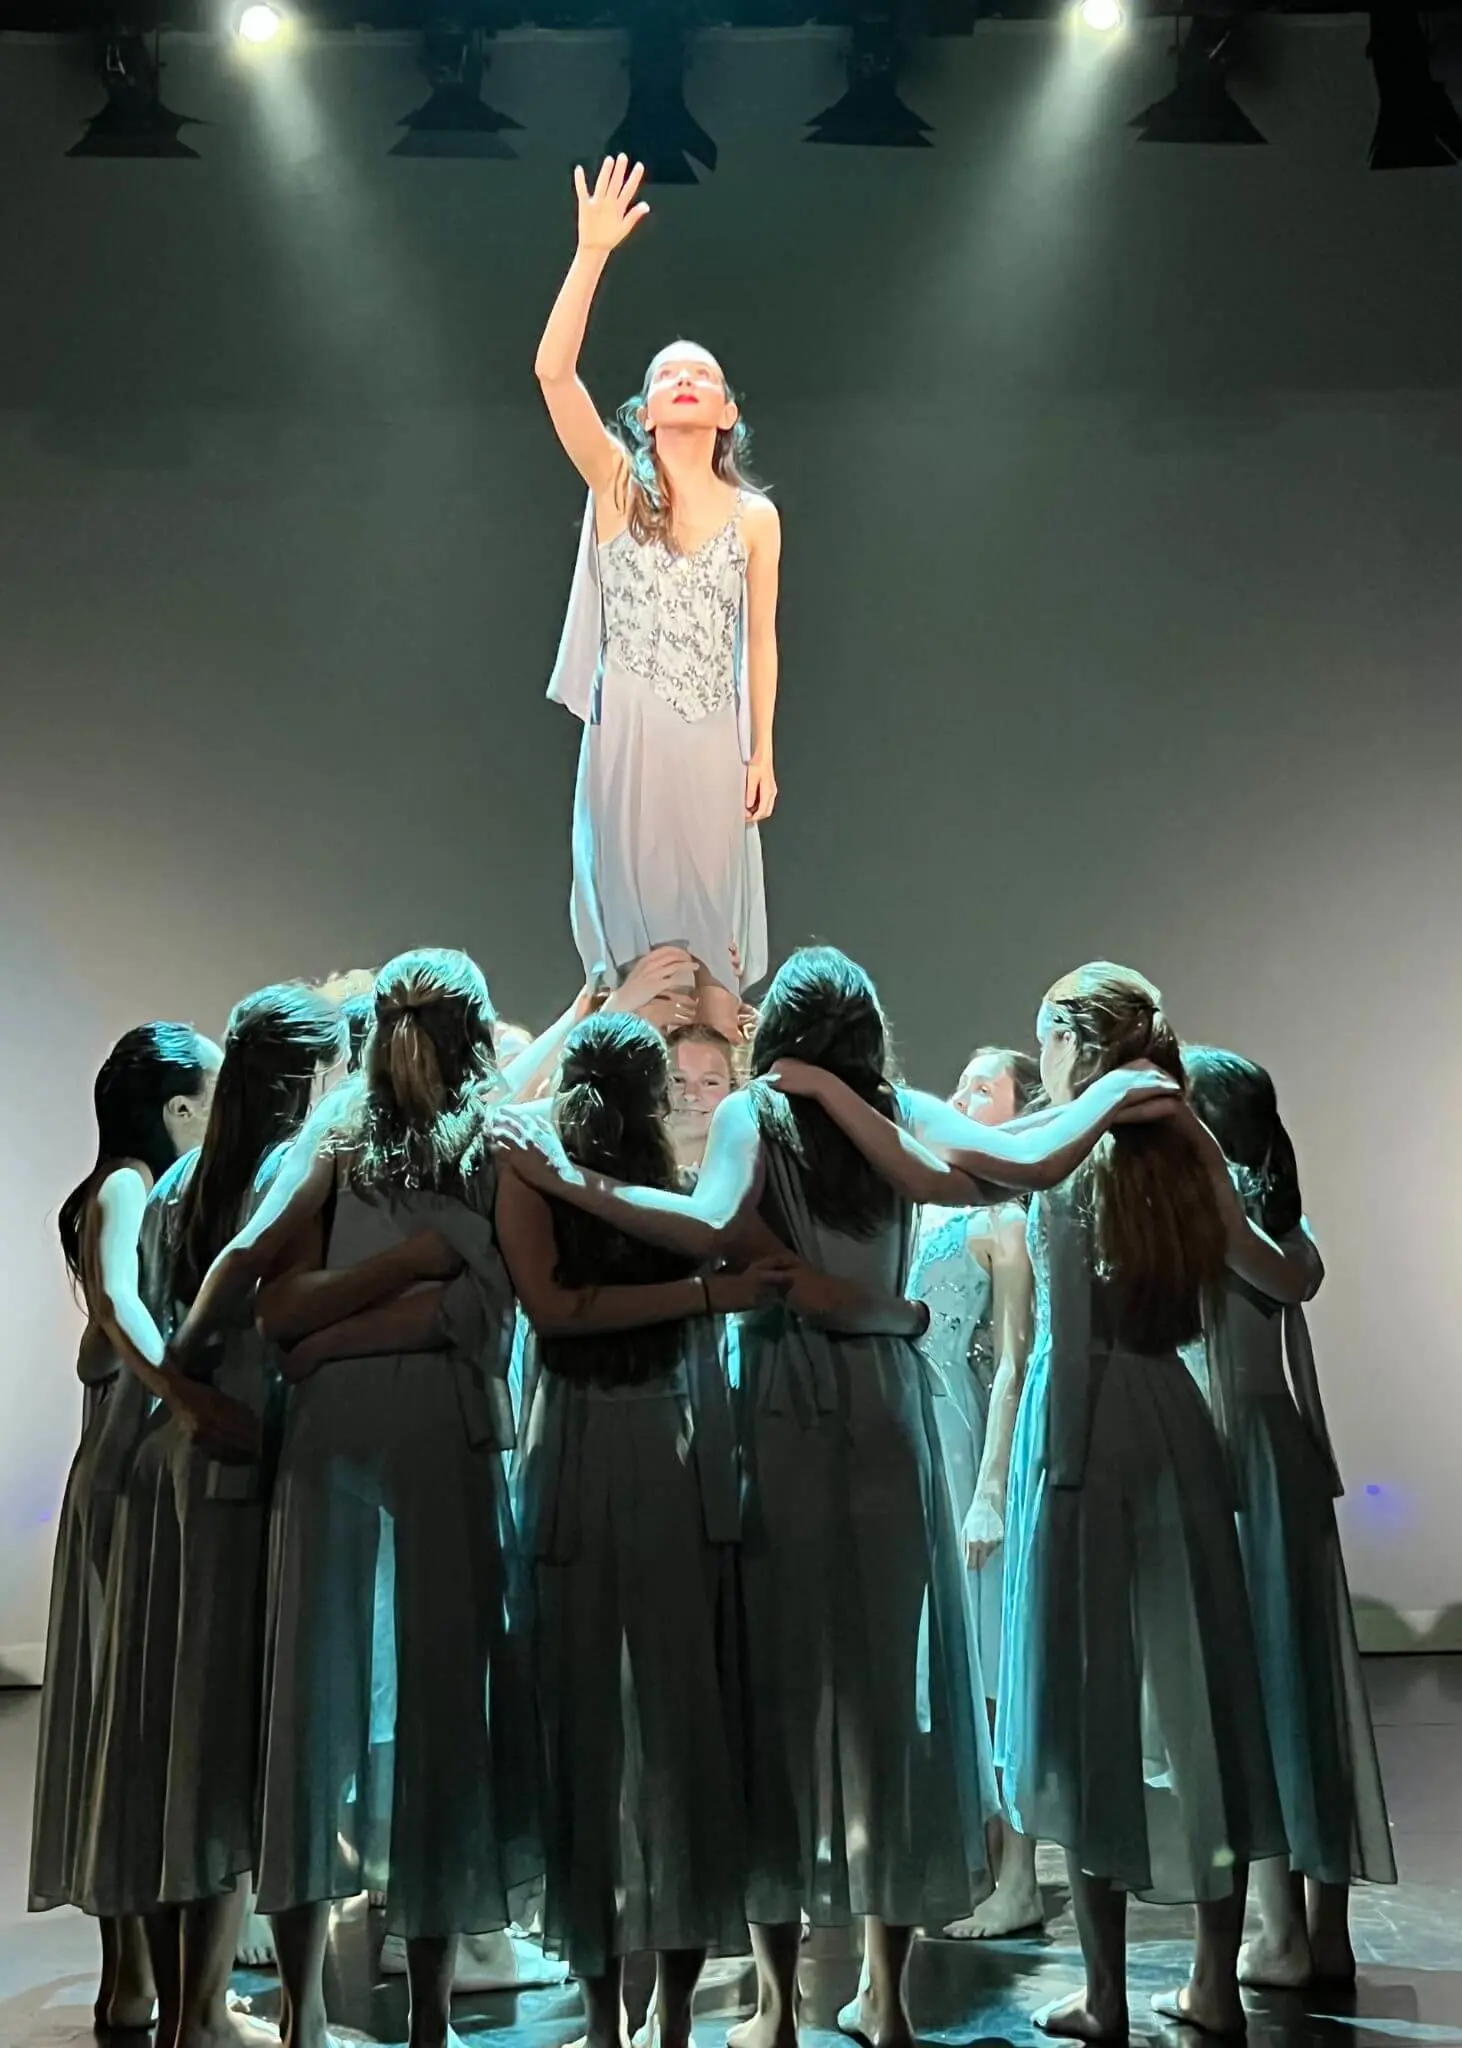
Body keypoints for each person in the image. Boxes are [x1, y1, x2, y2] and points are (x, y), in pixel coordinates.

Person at [492, 947, 1176, 2048]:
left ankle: (774, 2000)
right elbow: (1016, 1160)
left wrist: (569, 1179)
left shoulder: (758, 1111)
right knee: (877, 1702)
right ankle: (883, 1996)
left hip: (782, 1402)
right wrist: (1102, 1091)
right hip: (884, 1410)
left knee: (777, 1697)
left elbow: (707, 1226)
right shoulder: (886, 1109)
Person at [792, 963, 1292, 2040]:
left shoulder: (1066, 1163)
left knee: (1085, 1707)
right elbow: (1279, 1274)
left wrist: (1053, 1482)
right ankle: (1213, 1977)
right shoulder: (1186, 1153)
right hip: (1176, 1420)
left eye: (1044, 1037)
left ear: (1072, 1038)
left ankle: (1107, 1990)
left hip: (1086, 1435)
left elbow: (1049, 1315)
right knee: (1194, 1695)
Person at [166, 950, 540, 2048]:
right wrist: (404, 1280)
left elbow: (258, 1279)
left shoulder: (335, 1141)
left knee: (312, 1710)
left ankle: (305, 2014)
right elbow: (466, 1306)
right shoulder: (489, 1149)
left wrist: (196, 1367)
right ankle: (425, 2016)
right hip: (434, 1437)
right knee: (434, 1717)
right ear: (473, 1039)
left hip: (339, 1435)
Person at [500, 1010, 794, 2048]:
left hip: (590, 1456)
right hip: (649, 1454)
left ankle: (612, 2018)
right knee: (669, 1733)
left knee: (601, 1736)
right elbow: (556, 1308)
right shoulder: (665, 1196)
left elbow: (557, 1307)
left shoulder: (553, 1181)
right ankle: (658, 2016)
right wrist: (703, 1294)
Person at [79, 987, 348, 2048]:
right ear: (303, 1083)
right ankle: (207, 2007)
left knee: (192, 1722)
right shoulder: (270, 1177)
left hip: (192, 1462)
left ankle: (186, 1998)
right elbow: (199, 1312)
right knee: (239, 1728)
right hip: (240, 1457)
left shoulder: (189, 1176)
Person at [536, 155, 780, 1042]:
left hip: (714, 730)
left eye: (704, 376)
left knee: (714, 968)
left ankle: (720, 1098)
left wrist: (762, 751)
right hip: (629, 726)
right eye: (668, 373)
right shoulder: (617, 487)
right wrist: (590, 253)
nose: (686, 378)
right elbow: (555, 375)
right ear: (642, 412)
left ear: (724, 415)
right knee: (636, 951)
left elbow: (761, 642)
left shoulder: (757, 518)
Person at [1183, 1046, 1395, 1988]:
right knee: (1293, 1686)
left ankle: (1283, 1934)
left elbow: (1275, 1276)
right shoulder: (1275, 1222)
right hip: (1279, 1461)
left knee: (1260, 1694)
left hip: (1238, 1465)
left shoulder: (1232, 1225)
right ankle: (1318, 1931)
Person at [29, 1024, 222, 2036]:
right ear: (181, 1108)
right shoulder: (126, 1186)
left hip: (130, 1467)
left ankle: (133, 1980)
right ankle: (134, 1978)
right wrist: (184, 1392)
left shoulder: (153, 1190)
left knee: (126, 1710)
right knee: (130, 1707)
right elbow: (115, 1300)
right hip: (133, 1477)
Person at [903, 1047, 1044, 1943]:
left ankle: (1019, 1875)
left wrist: (990, 1488)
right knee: (938, 1663)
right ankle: (958, 1855)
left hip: (962, 1450)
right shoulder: (923, 1210)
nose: (960, 1095)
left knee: (993, 1659)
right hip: (910, 1440)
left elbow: (1013, 1360)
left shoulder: (1005, 1220)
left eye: (981, 1087)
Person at [666, 1023, 740, 1176]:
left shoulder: (749, 1173)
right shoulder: (619, 1160)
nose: (690, 1094)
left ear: (732, 1089)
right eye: (678, 1080)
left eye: (709, 1083)